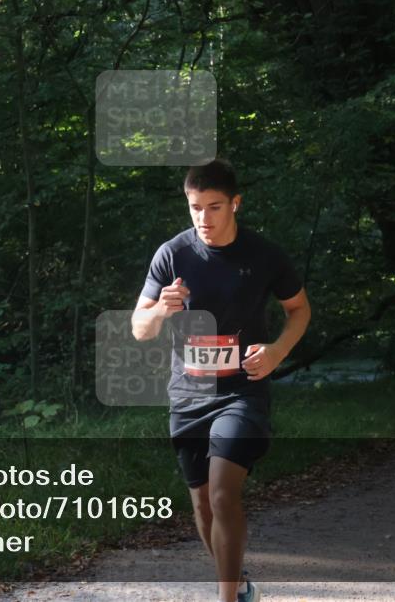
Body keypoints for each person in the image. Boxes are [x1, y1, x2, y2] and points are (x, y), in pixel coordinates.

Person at [131, 158, 311, 602]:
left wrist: (277, 351)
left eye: (214, 207)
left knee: (222, 492)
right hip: (189, 395)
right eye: (195, 208)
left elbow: (299, 310)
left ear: (235, 203)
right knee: (202, 506)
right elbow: (140, 328)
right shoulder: (173, 254)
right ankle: (240, 586)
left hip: (242, 391)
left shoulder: (264, 255)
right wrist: (160, 310)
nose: (203, 219)